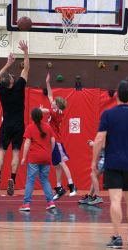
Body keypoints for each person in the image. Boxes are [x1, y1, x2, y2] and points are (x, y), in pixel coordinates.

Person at [92, 80, 128, 247]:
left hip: (113, 164)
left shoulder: (108, 114)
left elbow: (99, 139)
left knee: (115, 200)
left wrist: (93, 162)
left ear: (117, 93)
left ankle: (116, 237)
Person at [0, 40, 29, 196]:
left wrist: (8, 64)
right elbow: (26, 68)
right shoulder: (19, 86)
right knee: (15, 153)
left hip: (6, 124)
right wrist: (26, 51)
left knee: (1, 151)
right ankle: (12, 179)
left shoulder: (1, 89)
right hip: (19, 125)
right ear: (12, 82)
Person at [40, 72, 77, 200]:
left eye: (54, 102)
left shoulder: (57, 112)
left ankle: (72, 185)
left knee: (62, 163)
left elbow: (47, 110)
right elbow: (50, 95)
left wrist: (41, 111)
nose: (52, 101)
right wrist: (47, 83)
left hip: (57, 142)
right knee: (56, 165)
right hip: (53, 142)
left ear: (58, 104)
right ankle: (59, 187)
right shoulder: (55, 108)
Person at [19, 108, 56, 211]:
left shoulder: (30, 128)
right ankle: (51, 202)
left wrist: (23, 157)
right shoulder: (48, 127)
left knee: (30, 180)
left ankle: (26, 204)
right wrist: (50, 152)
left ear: (32, 116)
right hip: (46, 157)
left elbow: (27, 143)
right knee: (45, 180)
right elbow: (53, 141)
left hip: (34, 158)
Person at [78, 140, 104, 205]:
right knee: (94, 176)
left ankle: (98, 197)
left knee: (93, 175)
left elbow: (104, 145)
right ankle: (90, 196)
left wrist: (93, 143)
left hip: (105, 159)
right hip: (105, 158)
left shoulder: (107, 133)